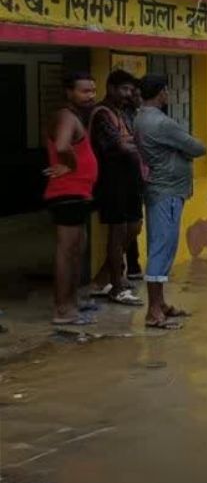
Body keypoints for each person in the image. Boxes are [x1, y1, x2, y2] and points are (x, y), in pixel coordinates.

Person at [135, 75, 206, 329]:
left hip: (161, 188)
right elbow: (197, 147)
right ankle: (154, 311)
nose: (169, 94)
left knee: (161, 245)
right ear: (161, 92)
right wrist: (183, 148)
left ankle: (160, 304)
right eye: (167, 90)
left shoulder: (141, 118)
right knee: (162, 248)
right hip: (167, 191)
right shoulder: (161, 122)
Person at [43, 71, 100, 325]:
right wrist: (71, 166)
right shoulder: (66, 117)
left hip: (78, 193)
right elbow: (63, 146)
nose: (90, 96)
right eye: (84, 91)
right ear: (69, 92)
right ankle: (62, 309)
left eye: (92, 90)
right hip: (66, 192)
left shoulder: (74, 116)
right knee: (67, 251)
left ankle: (72, 302)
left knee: (78, 249)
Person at [89, 70, 144, 306]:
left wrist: (135, 141)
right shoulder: (102, 114)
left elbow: (134, 139)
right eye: (124, 89)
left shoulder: (124, 112)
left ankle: (104, 277)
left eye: (131, 90)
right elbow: (120, 145)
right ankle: (116, 285)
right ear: (110, 87)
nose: (128, 94)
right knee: (118, 231)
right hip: (112, 180)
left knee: (134, 227)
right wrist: (138, 143)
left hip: (130, 178)